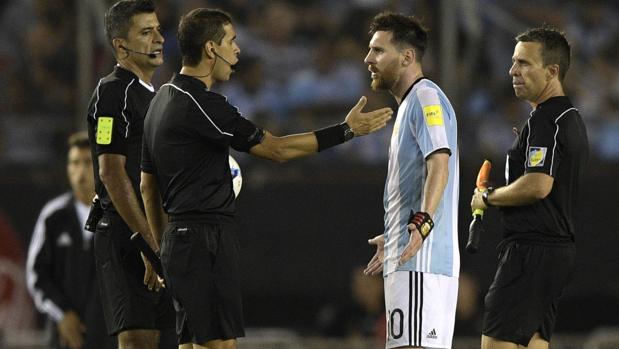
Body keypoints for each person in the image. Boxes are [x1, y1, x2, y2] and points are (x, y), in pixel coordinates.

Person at [139, 8, 392, 349]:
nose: (237, 51)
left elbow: (147, 186)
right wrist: (346, 130)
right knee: (219, 345)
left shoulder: (158, 102)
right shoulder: (201, 104)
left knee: (195, 344)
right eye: (231, 41)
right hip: (204, 240)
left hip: (179, 242)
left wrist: (159, 252)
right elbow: (276, 150)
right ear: (211, 49)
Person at [470, 27, 589, 349]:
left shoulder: (545, 120)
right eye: (513, 62)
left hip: (531, 253)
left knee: (497, 343)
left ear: (552, 71)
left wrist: (488, 197)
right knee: (534, 342)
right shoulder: (570, 118)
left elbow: (538, 186)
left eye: (523, 63)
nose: (512, 71)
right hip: (554, 253)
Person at [362, 12, 460, 349]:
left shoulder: (425, 97)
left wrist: (421, 223)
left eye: (378, 51)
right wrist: (393, 234)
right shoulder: (409, 105)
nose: (368, 59)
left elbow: (439, 163)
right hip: (411, 261)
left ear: (407, 56)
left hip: (423, 264)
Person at [85, 1, 175, 348]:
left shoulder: (155, 96)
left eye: (158, 30)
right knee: (138, 339)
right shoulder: (113, 92)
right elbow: (110, 172)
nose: (159, 39)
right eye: (146, 32)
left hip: (158, 234)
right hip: (127, 235)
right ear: (121, 45)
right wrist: (148, 245)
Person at [26, 131, 116, 349]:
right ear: (67, 168)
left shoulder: (118, 216)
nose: (81, 170)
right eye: (75, 162)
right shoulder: (54, 216)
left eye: (87, 162)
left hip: (109, 336)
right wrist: (62, 313)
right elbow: (36, 274)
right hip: (63, 337)